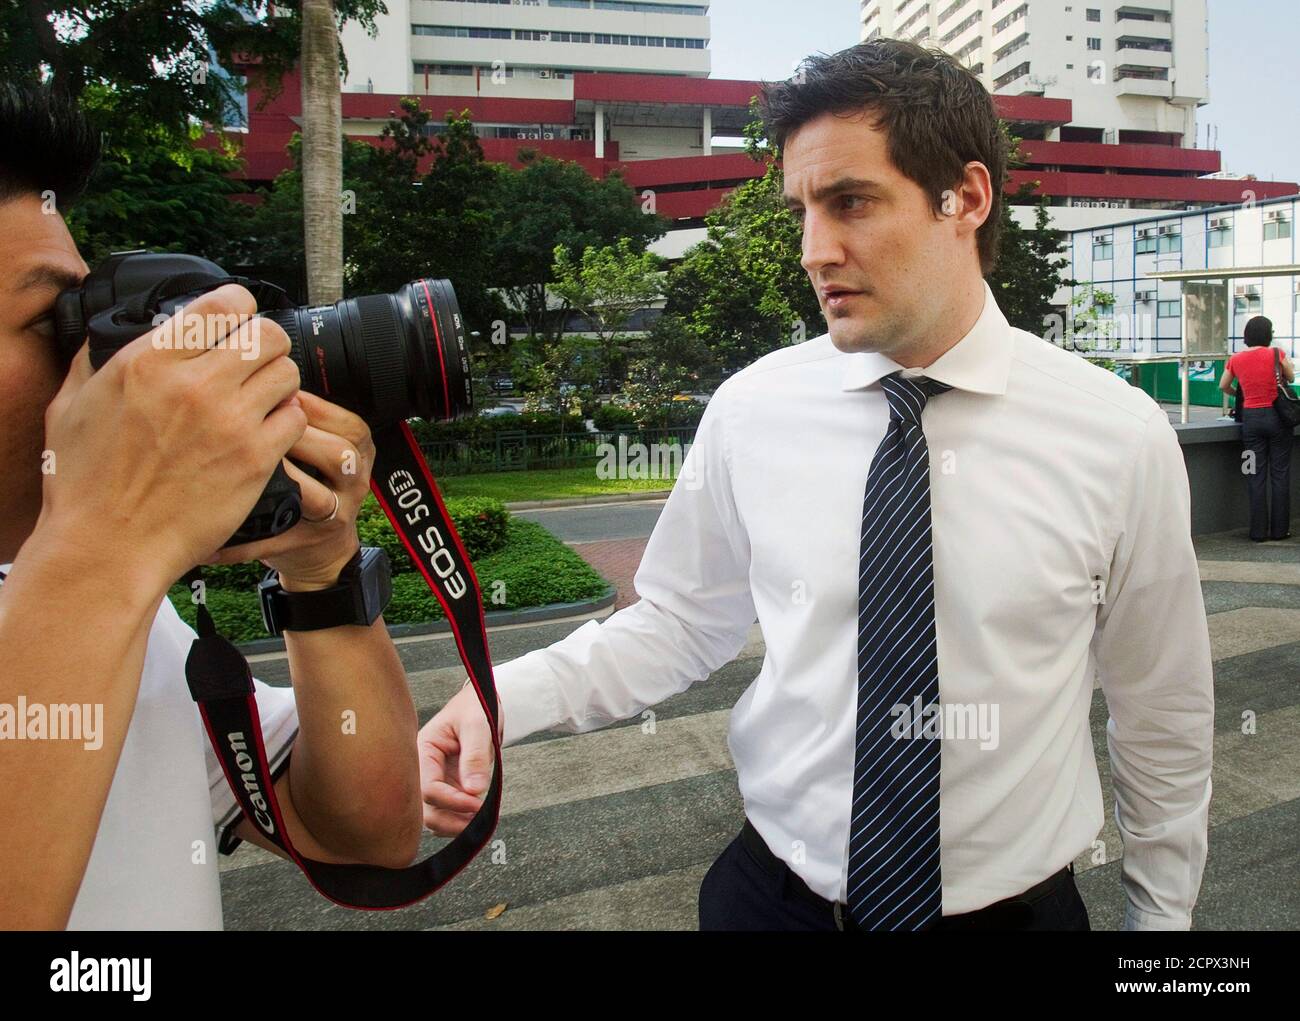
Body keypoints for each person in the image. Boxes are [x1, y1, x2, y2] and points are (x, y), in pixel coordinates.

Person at [419, 40, 1215, 931]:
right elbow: (681, 618)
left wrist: (1163, 931)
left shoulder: (1116, 434)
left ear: (967, 198)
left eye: (850, 202)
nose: (813, 249)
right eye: (802, 208)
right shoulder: (753, 408)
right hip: (773, 904)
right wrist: (497, 700)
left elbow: (1161, 709)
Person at [0, 84, 423, 929]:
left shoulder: (84, 596)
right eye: (55, 318)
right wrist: (107, 547)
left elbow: (368, 831)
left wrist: (321, 571)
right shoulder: (89, 578)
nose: (109, 368)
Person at [1219, 315, 1295, 541]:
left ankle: (1257, 532)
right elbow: (1289, 376)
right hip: (1278, 420)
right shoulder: (1276, 354)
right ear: (1268, 334)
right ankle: (1280, 531)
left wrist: (1239, 395)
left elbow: (1224, 385)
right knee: (1280, 475)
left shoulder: (1236, 359)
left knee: (1253, 474)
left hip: (1250, 424)